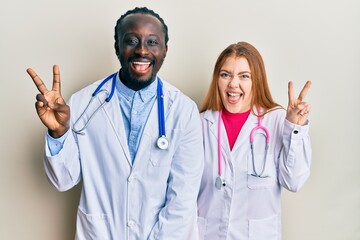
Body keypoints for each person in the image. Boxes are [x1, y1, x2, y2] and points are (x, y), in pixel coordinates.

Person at [26, 7, 204, 240]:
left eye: (152, 42)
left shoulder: (183, 110)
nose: (142, 50)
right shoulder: (83, 103)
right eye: (131, 40)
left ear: (165, 50)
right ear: (118, 47)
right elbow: (62, 180)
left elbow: (182, 200)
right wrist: (58, 132)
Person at [197, 41, 312, 240]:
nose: (233, 84)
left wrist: (295, 128)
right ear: (217, 79)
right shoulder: (200, 124)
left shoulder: (276, 120)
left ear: (256, 81)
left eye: (244, 76)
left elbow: (294, 181)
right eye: (225, 75)